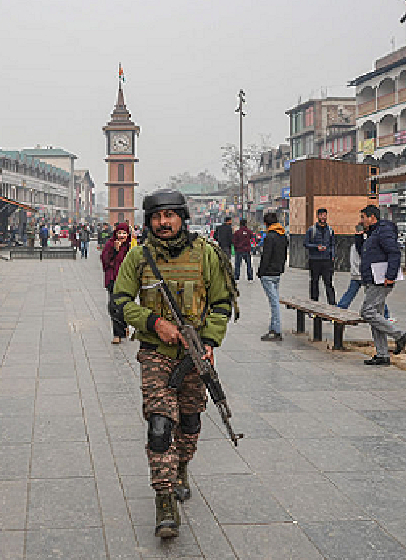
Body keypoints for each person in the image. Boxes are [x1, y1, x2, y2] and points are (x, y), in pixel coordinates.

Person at [111, 189, 236, 539]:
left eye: (170, 215)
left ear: (182, 216)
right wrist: (153, 323)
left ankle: (181, 469)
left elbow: (222, 301)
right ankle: (164, 499)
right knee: (160, 427)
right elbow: (119, 302)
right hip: (155, 353)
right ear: (149, 220)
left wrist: (209, 341)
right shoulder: (138, 257)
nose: (163, 223)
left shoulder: (206, 254)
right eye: (156, 216)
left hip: (194, 355)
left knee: (191, 422)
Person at [359, 205, 406, 366]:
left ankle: (399, 335)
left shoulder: (384, 230)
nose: (361, 221)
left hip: (380, 279)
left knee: (367, 312)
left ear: (372, 217)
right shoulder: (373, 232)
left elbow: (394, 252)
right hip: (372, 278)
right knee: (376, 316)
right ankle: (382, 354)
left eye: (363, 217)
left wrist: (390, 276)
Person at [338, 225, 390, 319]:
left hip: (357, 274)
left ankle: (340, 309)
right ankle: (385, 315)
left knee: (350, 294)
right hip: (364, 275)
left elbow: (353, 261)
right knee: (375, 296)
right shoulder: (364, 245)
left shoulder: (355, 245)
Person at [257, 213, 288, 341]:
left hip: (268, 273)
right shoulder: (283, 236)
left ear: (266, 224)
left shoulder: (270, 236)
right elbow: (284, 254)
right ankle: (273, 327)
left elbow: (266, 256)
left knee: (274, 302)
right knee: (274, 300)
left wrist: (260, 272)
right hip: (277, 273)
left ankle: (277, 331)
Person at [100, 223, 131, 344]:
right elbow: (105, 261)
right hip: (113, 279)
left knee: (125, 306)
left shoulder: (131, 246)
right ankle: (117, 334)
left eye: (124, 233)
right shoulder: (110, 244)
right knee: (114, 306)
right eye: (119, 233)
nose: (121, 235)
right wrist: (115, 250)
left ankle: (124, 326)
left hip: (127, 281)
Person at [304, 208, 336, 304]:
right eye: (321, 215)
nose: (323, 217)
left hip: (327, 260)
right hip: (314, 260)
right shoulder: (311, 230)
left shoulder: (330, 230)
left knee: (329, 283)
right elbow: (306, 243)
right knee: (314, 282)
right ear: (317, 216)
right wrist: (316, 247)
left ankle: (332, 304)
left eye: (325, 215)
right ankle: (314, 304)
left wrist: (332, 255)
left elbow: (333, 244)